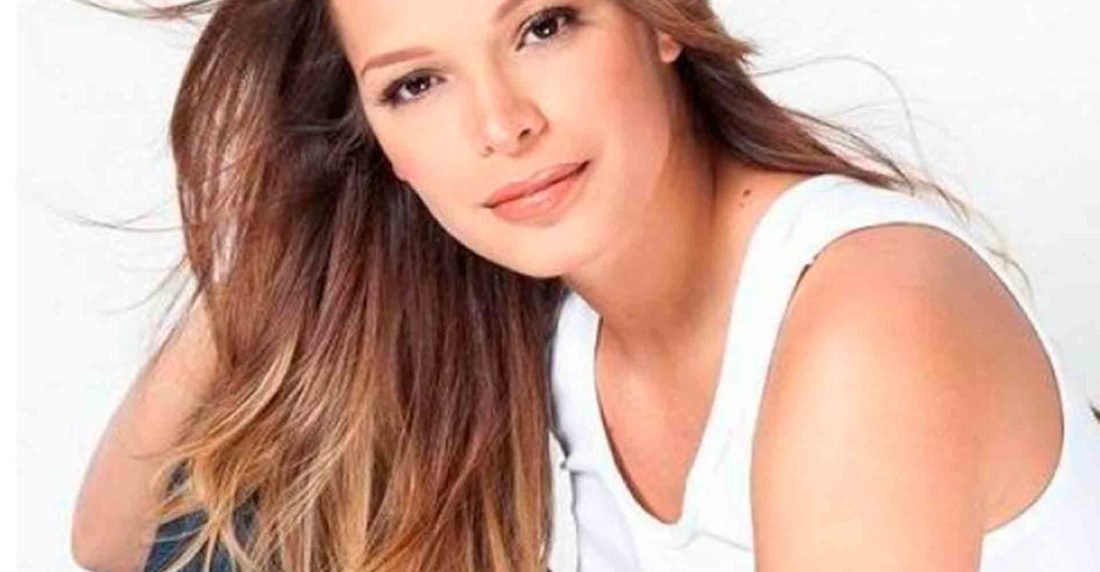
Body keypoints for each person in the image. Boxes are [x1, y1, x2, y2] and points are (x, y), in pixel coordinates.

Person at [69, 0, 1100, 570]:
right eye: (415, 84)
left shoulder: (869, 315)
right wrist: (286, 233)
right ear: (379, 142)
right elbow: (120, 544)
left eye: (544, 25)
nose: (501, 124)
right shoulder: (523, 333)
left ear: (659, 21)